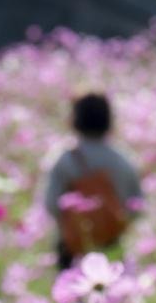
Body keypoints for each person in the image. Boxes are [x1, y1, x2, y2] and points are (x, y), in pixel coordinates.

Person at [43, 93, 143, 271]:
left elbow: (51, 204)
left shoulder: (63, 159)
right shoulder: (123, 160)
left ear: (74, 119)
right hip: (112, 244)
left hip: (71, 247)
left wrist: (79, 223)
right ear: (108, 120)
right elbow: (136, 206)